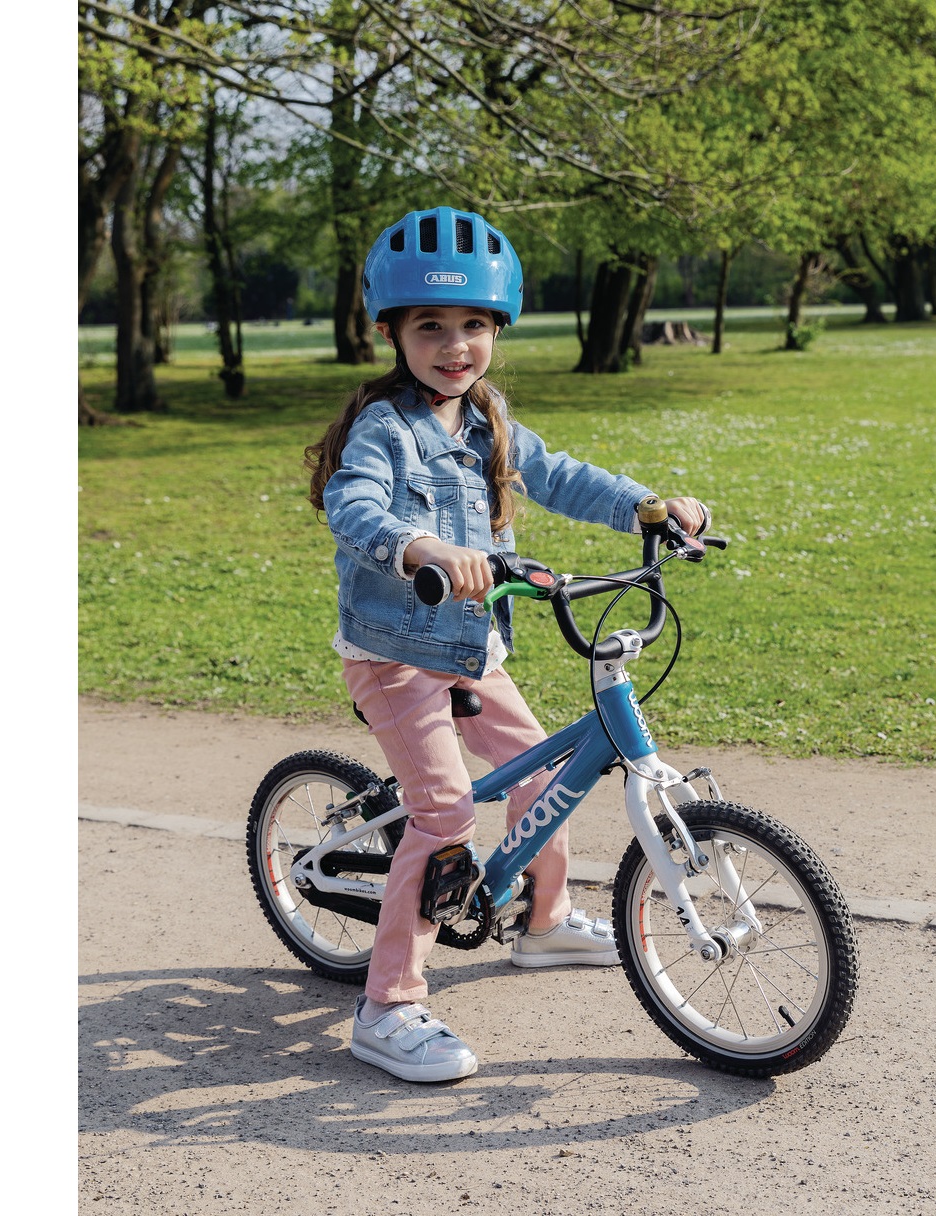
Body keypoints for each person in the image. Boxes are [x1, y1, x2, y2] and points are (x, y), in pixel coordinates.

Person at [304, 206, 707, 1083]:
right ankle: (387, 1006)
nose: (455, 346)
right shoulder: (384, 429)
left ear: (498, 329)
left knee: (545, 773)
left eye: (474, 325)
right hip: (396, 654)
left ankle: (543, 922)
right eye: (431, 326)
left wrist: (649, 506)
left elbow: (559, 475)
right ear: (390, 332)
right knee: (445, 812)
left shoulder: (488, 420)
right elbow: (354, 505)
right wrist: (421, 547)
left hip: (470, 648)